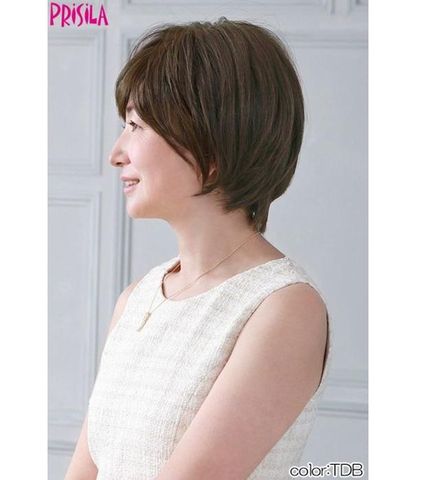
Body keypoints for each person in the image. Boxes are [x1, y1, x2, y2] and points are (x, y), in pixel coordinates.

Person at [65, 17, 332, 480]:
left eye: (136, 126)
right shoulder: (138, 299)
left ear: (208, 143)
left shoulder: (283, 309)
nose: (116, 153)